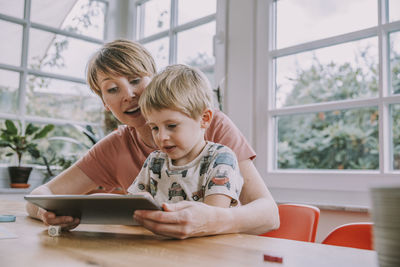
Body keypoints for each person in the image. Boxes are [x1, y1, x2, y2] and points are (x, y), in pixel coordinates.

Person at [26, 39, 279, 239]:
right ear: (105, 103)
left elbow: (269, 214)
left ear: (154, 79)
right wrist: (47, 213)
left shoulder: (211, 125)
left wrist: (212, 220)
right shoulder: (114, 148)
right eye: (113, 89)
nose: (130, 94)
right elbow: (40, 196)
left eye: (136, 80)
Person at [128, 64, 243, 209]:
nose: (161, 137)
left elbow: (213, 216)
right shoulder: (154, 161)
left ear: (205, 119)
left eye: (172, 126)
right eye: (155, 128)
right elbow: (133, 206)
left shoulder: (221, 159)